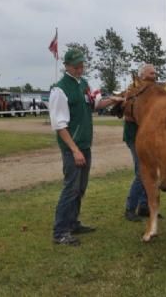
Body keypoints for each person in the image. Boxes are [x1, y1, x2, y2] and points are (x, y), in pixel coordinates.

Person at [49, 48, 123, 246]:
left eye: (82, 66)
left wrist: (112, 100)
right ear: (67, 66)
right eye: (76, 66)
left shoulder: (83, 84)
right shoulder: (60, 90)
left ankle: (72, 223)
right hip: (73, 147)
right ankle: (61, 231)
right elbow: (59, 125)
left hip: (84, 145)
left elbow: (93, 105)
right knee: (71, 188)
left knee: (80, 188)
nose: (80, 69)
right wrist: (74, 150)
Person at [124, 64, 156, 221]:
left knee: (149, 172)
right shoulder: (133, 90)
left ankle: (144, 206)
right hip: (134, 135)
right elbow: (128, 114)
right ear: (142, 75)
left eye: (155, 73)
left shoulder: (151, 90)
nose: (154, 75)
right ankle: (130, 208)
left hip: (146, 137)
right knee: (140, 172)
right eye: (151, 73)